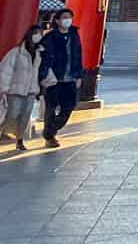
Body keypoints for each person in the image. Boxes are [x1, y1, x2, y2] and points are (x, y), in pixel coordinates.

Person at [38, 8, 85, 148]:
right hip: (54, 78)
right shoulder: (50, 37)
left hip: (70, 78)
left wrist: (79, 75)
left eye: (70, 17)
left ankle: (49, 130)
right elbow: (44, 57)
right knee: (51, 107)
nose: (68, 20)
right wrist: (44, 74)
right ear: (57, 20)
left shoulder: (74, 35)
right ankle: (50, 137)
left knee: (69, 107)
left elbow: (78, 55)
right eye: (64, 17)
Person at [1, 26, 44, 151]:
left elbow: (41, 71)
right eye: (36, 33)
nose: (38, 36)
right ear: (29, 34)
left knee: (25, 116)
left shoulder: (39, 53)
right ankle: (3, 132)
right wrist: (4, 87)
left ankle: (19, 139)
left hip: (31, 90)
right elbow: (6, 70)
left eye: (40, 34)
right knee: (11, 114)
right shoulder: (16, 52)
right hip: (15, 89)